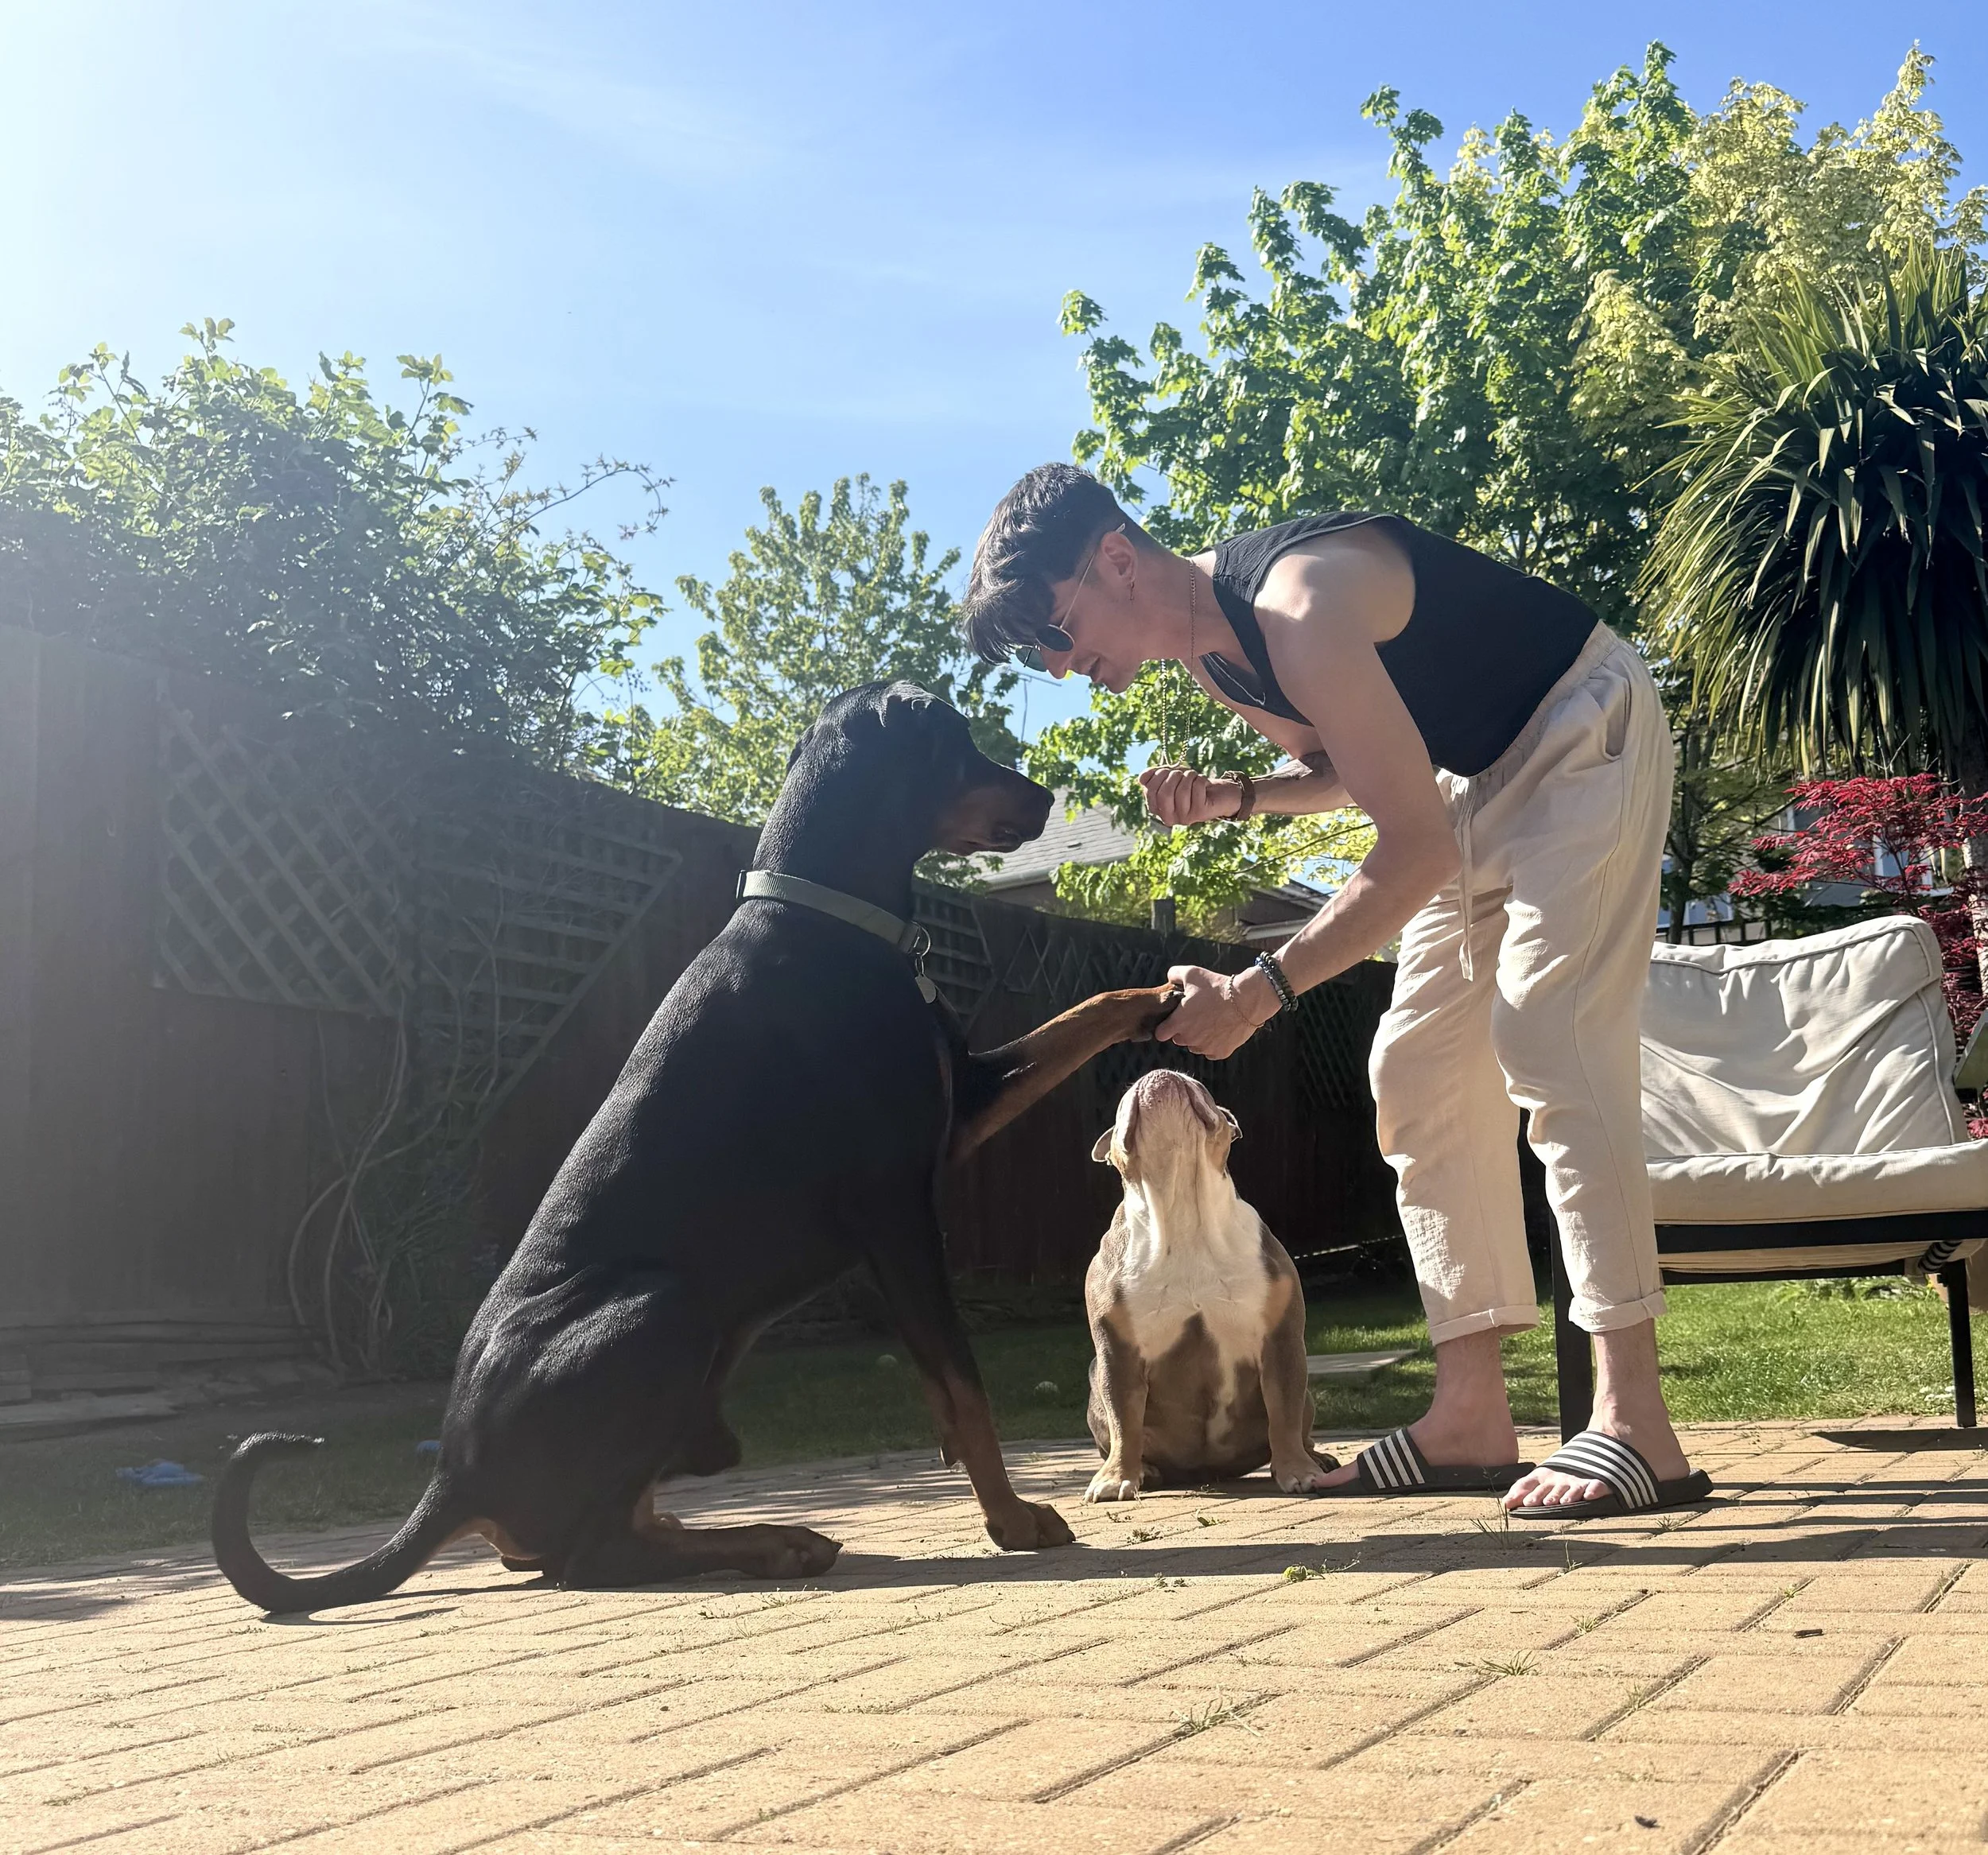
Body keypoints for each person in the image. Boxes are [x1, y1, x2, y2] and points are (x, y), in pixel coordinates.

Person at [959, 464, 1710, 1519]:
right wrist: (1237, 797)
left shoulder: (1297, 606)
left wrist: (1263, 988)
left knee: (1551, 1034)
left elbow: (1408, 849)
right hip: (1471, 788)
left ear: (1116, 560)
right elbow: (1355, 771)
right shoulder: (1227, 665)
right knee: (1415, 1072)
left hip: (1581, 732)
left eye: (1056, 629)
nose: (1058, 664)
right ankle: (1470, 1418)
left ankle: (1637, 1427)